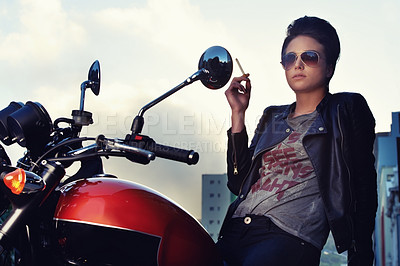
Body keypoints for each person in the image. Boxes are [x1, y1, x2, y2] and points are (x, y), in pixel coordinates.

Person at [216, 16, 377, 266]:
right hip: (235, 230)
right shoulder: (272, 116)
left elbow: (363, 188)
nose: (298, 64)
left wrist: (362, 257)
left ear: (329, 67)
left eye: (309, 56)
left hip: (288, 237)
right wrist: (238, 114)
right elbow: (237, 183)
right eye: (290, 58)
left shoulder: (345, 109)